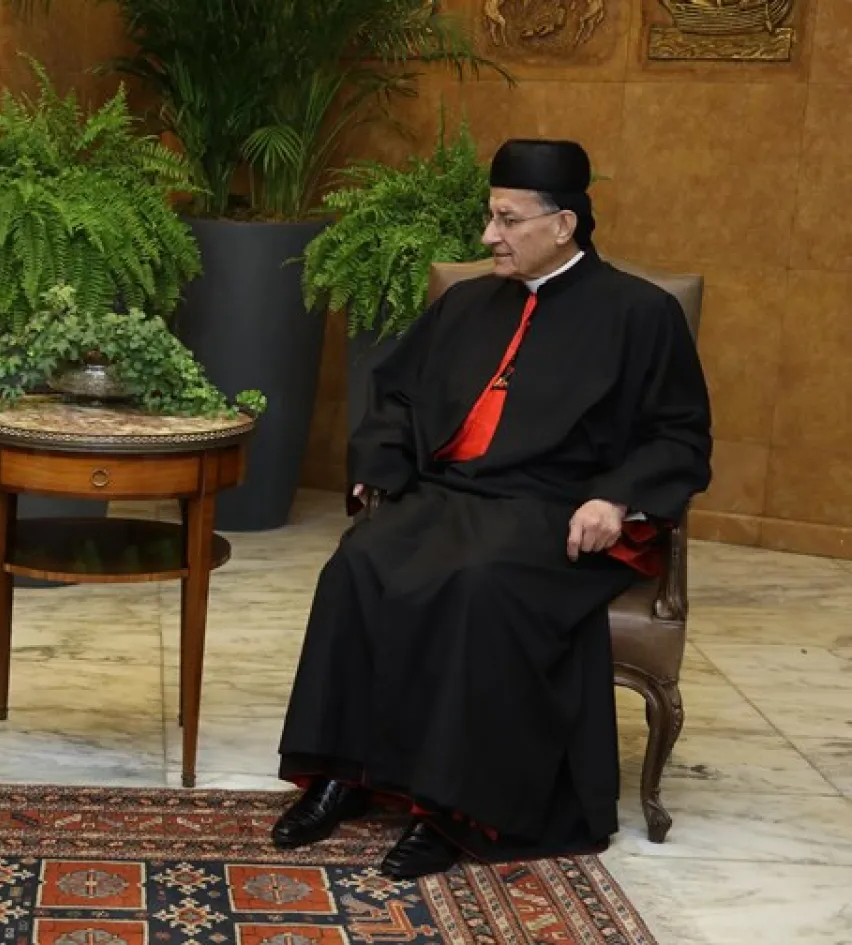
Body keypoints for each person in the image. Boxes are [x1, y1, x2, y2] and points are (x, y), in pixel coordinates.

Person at [272, 139, 713, 878]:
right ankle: (344, 774)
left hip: (556, 508)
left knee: (476, 583)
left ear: (564, 224)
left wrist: (616, 496)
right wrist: (376, 469)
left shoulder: (641, 314)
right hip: (449, 494)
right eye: (490, 216)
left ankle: (451, 808)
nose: (488, 237)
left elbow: (680, 434)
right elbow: (400, 398)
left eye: (507, 220)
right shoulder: (469, 303)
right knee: (357, 563)